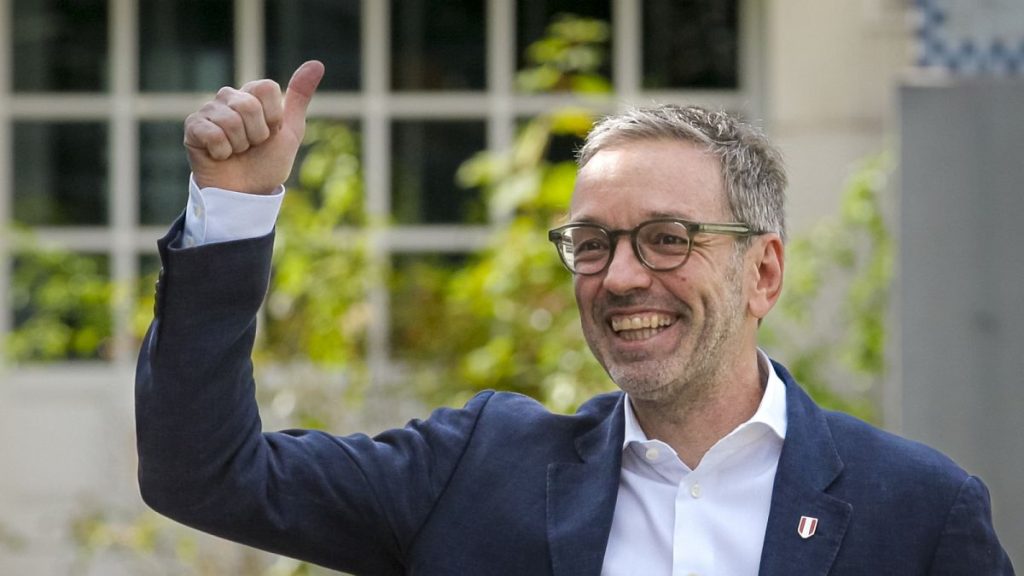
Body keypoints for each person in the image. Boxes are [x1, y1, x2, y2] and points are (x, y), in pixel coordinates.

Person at [136, 60, 1014, 575]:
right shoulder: (477, 471)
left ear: (763, 271)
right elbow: (203, 474)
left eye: (668, 239)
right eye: (592, 244)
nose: (622, 276)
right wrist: (235, 210)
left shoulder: (918, 513)